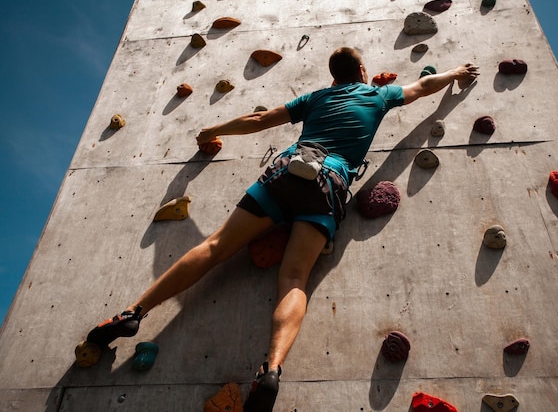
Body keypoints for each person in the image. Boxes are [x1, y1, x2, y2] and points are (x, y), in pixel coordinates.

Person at [85, 47, 479, 411]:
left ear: (332, 78)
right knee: (293, 277)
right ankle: (270, 370)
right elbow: (422, 86)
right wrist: (456, 71)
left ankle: (131, 313)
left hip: (286, 172)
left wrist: (212, 130)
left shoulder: (316, 99)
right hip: (328, 183)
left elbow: (259, 120)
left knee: (217, 246)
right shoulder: (377, 96)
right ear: (362, 72)